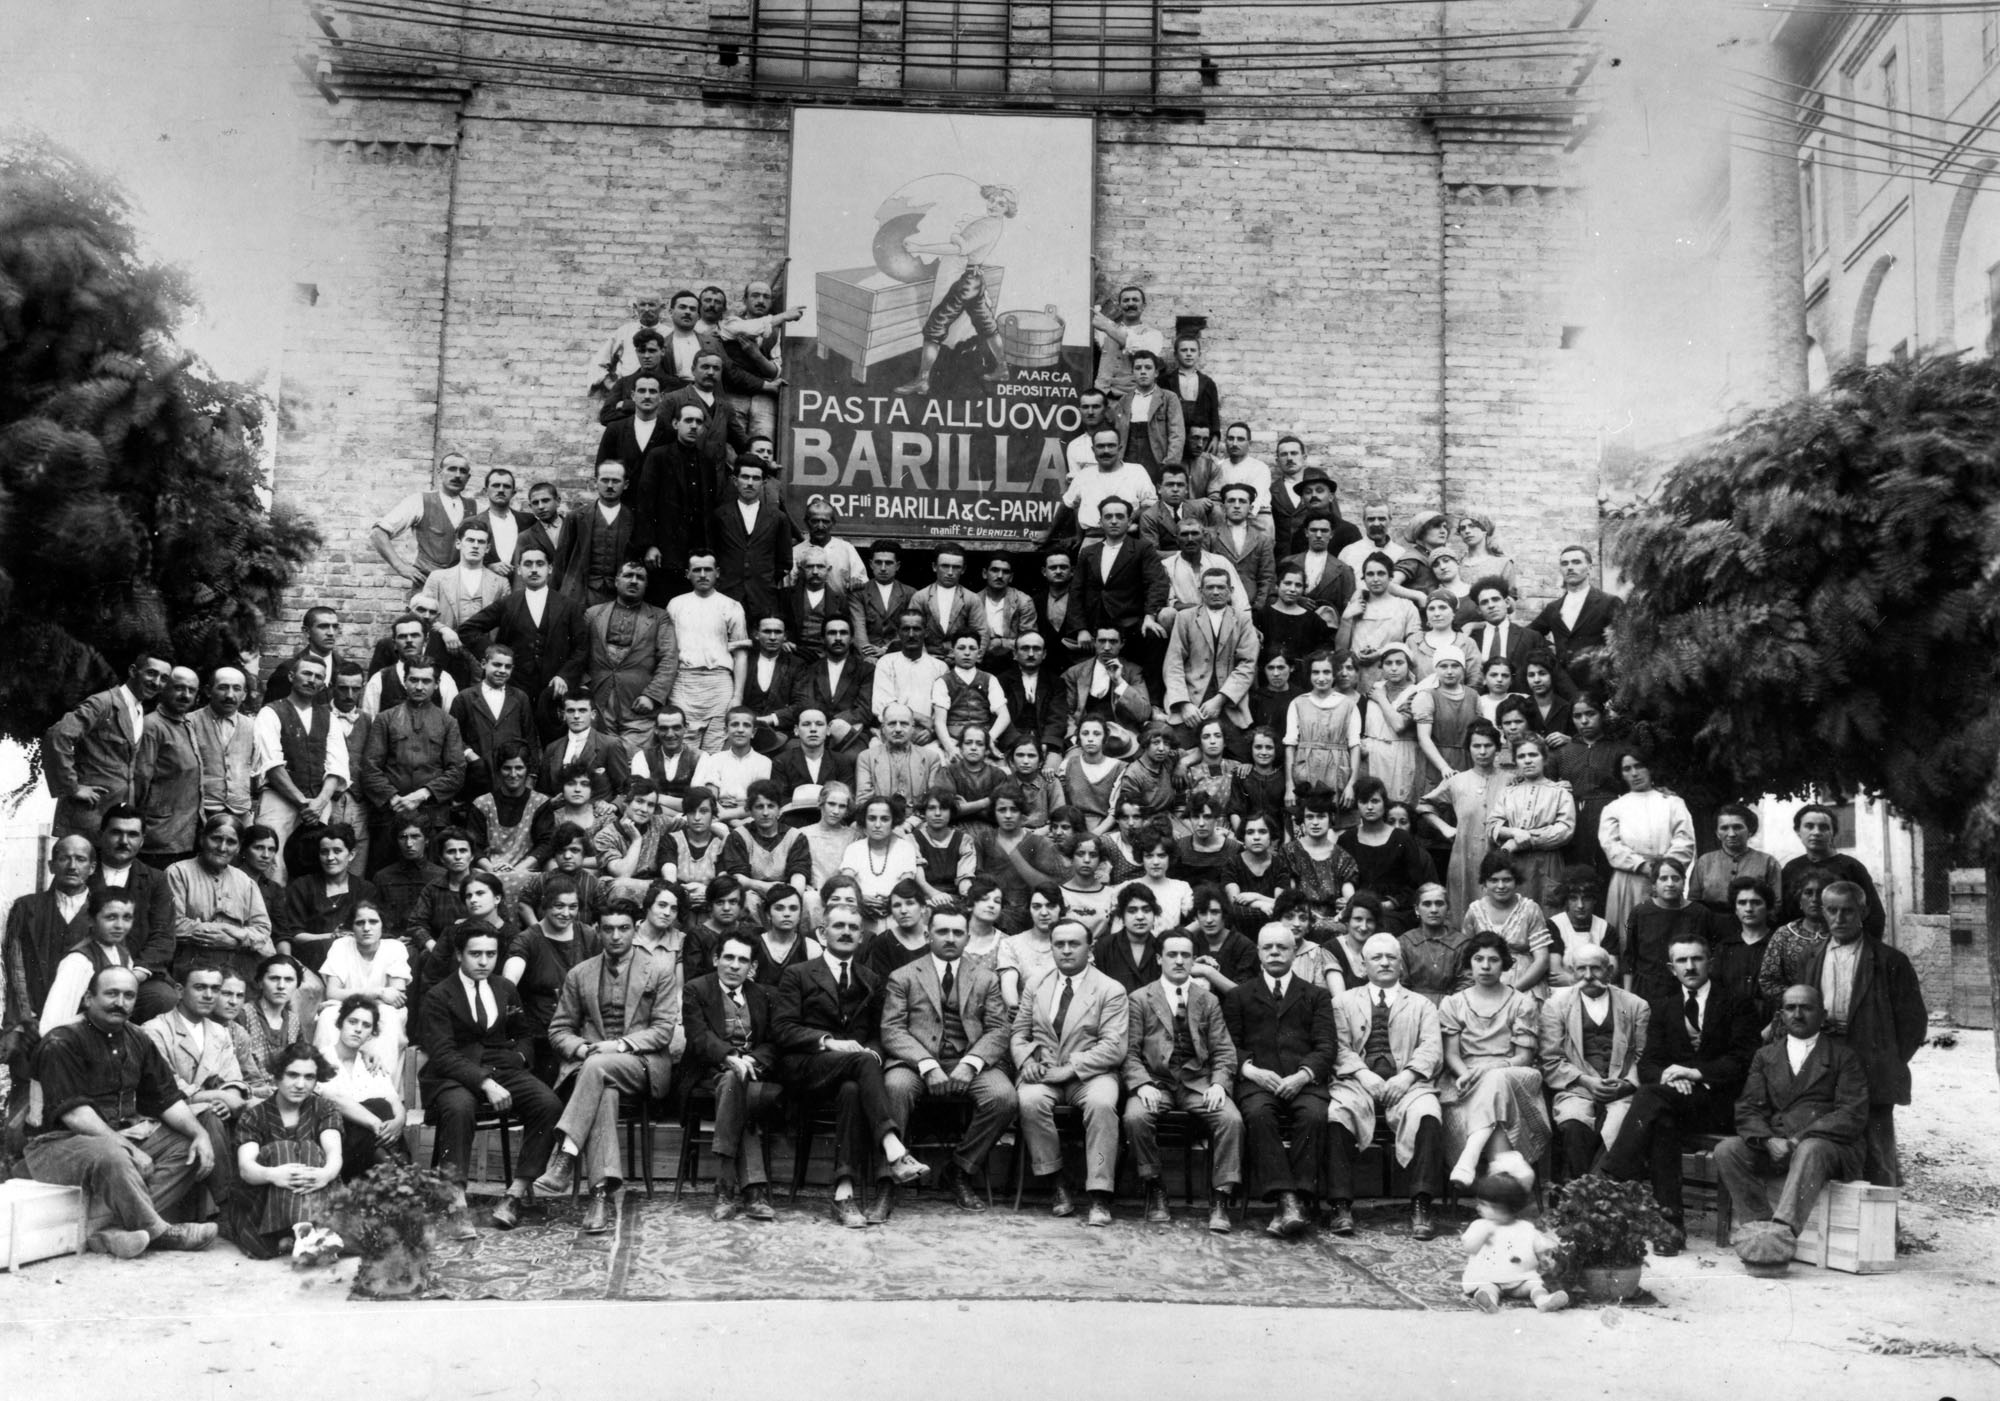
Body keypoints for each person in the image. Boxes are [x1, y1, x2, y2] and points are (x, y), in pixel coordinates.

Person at [26, 966, 219, 1259]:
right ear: (89, 998)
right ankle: (159, 1231)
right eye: (111, 993)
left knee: (187, 1148)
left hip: (117, 1136)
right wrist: (129, 1147)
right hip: (57, 1145)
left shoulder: (137, 1039)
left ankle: (116, 1231)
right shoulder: (61, 1041)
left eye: (129, 995)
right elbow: (76, 1115)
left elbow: (166, 1098)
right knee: (114, 1153)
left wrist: (200, 1134)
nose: (121, 1002)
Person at [770, 904, 930, 1227]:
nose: (846, 932)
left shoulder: (870, 980)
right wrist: (829, 1042)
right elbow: (783, 1028)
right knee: (860, 1063)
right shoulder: (798, 974)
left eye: (853, 928)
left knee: (853, 1087)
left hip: (853, 1075)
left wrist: (869, 1052)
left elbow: (876, 1035)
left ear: (860, 937)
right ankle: (894, 1148)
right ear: (821, 932)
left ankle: (844, 1193)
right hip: (806, 1068)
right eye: (838, 925)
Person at [1598, 934, 1760, 1251]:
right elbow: (1648, 1065)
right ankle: (1670, 1233)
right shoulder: (1665, 1008)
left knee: (1651, 1100)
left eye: (1696, 959)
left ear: (1709, 963)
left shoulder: (1737, 1002)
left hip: (1720, 1103)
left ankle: (1615, 1172)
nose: (1690, 966)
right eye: (1682, 961)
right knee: (1661, 1122)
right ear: (1672, 969)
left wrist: (1696, 1073)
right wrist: (1670, 1078)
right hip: (1675, 1100)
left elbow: (1745, 1060)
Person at [531, 900, 679, 1233]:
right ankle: (599, 1198)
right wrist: (580, 1047)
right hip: (594, 1070)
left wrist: (619, 1045)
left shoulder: (658, 970)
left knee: (598, 1067)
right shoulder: (580, 973)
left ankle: (565, 1155)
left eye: (623, 928)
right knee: (604, 1094)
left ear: (636, 928)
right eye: (608, 929)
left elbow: (663, 1030)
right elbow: (559, 1029)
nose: (615, 936)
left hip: (642, 1065)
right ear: (597, 930)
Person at [417, 923, 563, 1229]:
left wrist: (520, 1057)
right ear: (459, 955)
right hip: (453, 1072)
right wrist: (484, 1082)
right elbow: (442, 1053)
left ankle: (514, 1195)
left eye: (491, 954)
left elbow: (523, 1033)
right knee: (458, 1107)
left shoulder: (505, 989)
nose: (484, 961)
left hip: (503, 1067)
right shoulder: (438, 995)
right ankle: (456, 1202)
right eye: (475, 954)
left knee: (548, 1104)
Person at [877, 908, 1019, 1214]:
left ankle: (960, 1170)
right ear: (928, 935)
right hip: (915, 1063)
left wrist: (971, 1063)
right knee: (895, 1088)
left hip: (968, 1060)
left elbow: (999, 1029)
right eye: (942, 932)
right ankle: (888, 1180)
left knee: (1004, 1098)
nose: (950, 938)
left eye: (957, 932)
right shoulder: (903, 976)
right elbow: (892, 1031)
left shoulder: (985, 978)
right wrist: (927, 1065)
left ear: (968, 937)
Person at [1713, 984, 1872, 1245]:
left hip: (1829, 1150)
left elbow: (1851, 1113)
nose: (1798, 1015)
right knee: (1727, 1150)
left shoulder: (1844, 1056)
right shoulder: (1765, 1056)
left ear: (1822, 1014)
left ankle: (1783, 1233)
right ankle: (1759, 1230)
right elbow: (1749, 1107)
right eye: (1791, 1008)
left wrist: (1798, 1140)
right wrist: (1766, 1140)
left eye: (1806, 1008)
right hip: (1777, 1146)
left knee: (1810, 1149)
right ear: (1781, 1015)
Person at [1799, 880, 1927, 1186]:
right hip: (1826, 1060)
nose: (1839, 919)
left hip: (1872, 1062)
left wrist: (1886, 1058)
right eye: (1832, 911)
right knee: (1825, 1137)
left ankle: (1883, 1228)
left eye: (1847, 911)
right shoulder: (1812, 955)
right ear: (1822, 912)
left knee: (1877, 1145)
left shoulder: (1889, 960)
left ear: (1864, 911)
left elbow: (1913, 1024)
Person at [1219, 922, 1337, 1239]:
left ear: (1294, 951)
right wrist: (1251, 1071)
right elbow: (1229, 1045)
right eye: (1267, 947)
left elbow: (1326, 1047)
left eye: (1281, 947)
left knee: (1313, 1116)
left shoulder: (1316, 996)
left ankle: (1290, 1202)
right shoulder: (1239, 996)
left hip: (1304, 1081)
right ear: (1258, 952)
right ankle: (1288, 1199)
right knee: (1258, 1115)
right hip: (1257, 1081)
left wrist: (1303, 1076)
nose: (1274, 952)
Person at [1121, 928, 1243, 1232]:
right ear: (1160, 958)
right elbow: (1129, 1052)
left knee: (1231, 1120)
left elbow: (1224, 1049)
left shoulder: (1207, 1000)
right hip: (1156, 1083)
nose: (1179, 961)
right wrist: (1142, 1084)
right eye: (1172, 954)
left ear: (1194, 960)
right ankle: (1155, 1185)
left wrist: (1218, 1083)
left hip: (1197, 1083)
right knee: (1135, 1117)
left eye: (1185, 955)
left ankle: (1220, 1197)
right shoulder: (1140, 999)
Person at [1325, 932, 1446, 1238]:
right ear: (1363, 965)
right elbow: (1338, 1047)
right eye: (1376, 957)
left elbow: (1431, 1048)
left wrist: (1406, 1077)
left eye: (1391, 957)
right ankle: (1341, 1206)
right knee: (1337, 1114)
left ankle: (1421, 1204)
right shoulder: (1342, 1002)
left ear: (1401, 965)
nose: (1384, 962)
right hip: (1357, 1082)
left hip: (1408, 1084)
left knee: (1428, 1114)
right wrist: (1364, 1074)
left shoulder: (1422, 1005)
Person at [1011, 919, 1128, 1227]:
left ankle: (1100, 1192)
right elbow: (1019, 1033)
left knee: (1102, 1105)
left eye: (1073, 944)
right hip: (1045, 1071)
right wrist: (1027, 1061)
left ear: (1090, 949)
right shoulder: (1037, 983)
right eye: (1058, 944)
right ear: (1051, 948)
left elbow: (1113, 1047)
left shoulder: (1110, 989)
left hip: (1091, 1075)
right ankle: (1056, 1181)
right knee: (1029, 1100)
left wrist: (1070, 1069)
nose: (1065, 950)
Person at [683, 932, 784, 1221]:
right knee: (731, 1081)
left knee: (737, 1085)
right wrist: (729, 1057)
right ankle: (753, 1191)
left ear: (752, 967)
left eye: (743, 960)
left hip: (754, 1076)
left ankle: (725, 1187)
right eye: (728, 957)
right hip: (709, 1073)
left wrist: (751, 1059)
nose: (734, 965)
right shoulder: (696, 989)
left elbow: (775, 1042)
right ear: (716, 959)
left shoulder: (765, 995)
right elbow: (698, 1037)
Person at [1438, 932, 1550, 1187]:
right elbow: (1452, 1054)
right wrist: (1465, 1073)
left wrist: (1492, 1067)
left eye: (1493, 960)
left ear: (1505, 964)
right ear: (1470, 963)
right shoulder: (1453, 1003)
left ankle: (1469, 1156)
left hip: (1513, 1073)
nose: (1485, 966)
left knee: (1496, 1078)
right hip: (1465, 1076)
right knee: (1494, 1104)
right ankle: (1503, 1177)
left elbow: (1524, 1056)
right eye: (1478, 959)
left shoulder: (1523, 1003)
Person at [1538, 940, 1648, 1180]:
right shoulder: (1555, 1005)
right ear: (1571, 971)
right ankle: (1585, 1193)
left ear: (1609, 971)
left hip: (1623, 1089)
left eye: (1596, 968)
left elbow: (1644, 1056)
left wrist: (1628, 1084)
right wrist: (1587, 1081)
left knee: (1622, 1129)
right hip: (1577, 1087)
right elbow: (1550, 1059)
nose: (1588, 976)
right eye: (1581, 969)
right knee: (1573, 1126)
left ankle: (1594, 1194)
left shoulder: (1636, 1005)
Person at [459, 543, 592, 736]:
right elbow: (467, 629)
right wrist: (496, 659)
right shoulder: (508, 603)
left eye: (540, 564)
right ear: (519, 570)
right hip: (515, 686)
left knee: (553, 742)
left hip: (553, 689)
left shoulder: (569, 606)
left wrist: (565, 675)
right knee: (514, 739)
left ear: (550, 569)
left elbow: (582, 647)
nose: (535, 569)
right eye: (528, 564)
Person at [226, 1042, 344, 1259]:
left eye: (309, 1077)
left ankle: (300, 1236)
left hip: (319, 1191)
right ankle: (310, 1234)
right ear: (277, 1076)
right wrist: (274, 1174)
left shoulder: (325, 1108)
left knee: (310, 1147)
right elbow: (246, 1169)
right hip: (262, 1205)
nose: (300, 1084)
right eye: (292, 1075)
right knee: (282, 1149)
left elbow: (334, 1154)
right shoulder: (254, 1116)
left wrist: (325, 1174)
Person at [44, 649, 170, 841]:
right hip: (86, 817)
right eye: (151, 673)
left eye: (164, 678)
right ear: (133, 671)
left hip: (115, 821)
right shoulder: (103, 703)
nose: (156, 682)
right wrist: (73, 788)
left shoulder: (137, 710)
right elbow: (58, 735)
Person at [1, 836, 96, 1066]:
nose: (72, 866)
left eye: (80, 859)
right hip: (30, 1018)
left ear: (92, 867)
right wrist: (27, 1017)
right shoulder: (26, 907)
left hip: (83, 1021)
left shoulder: (102, 910)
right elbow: (15, 966)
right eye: (64, 858)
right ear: (52, 865)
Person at [583, 558, 679, 755]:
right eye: (628, 575)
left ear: (646, 584)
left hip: (639, 705)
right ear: (617, 580)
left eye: (640, 578)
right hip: (599, 700)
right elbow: (578, 653)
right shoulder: (593, 614)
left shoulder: (660, 617)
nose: (634, 581)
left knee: (635, 761)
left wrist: (652, 695)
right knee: (600, 759)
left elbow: (669, 659)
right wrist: (584, 685)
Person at [168, 816, 277, 987]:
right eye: (216, 839)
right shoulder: (178, 873)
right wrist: (221, 932)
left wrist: (234, 940)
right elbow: (174, 924)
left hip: (239, 966)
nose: (222, 848)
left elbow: (262, 930)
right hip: (192, 964)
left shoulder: (245, 882)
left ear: (239, 847)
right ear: (202, 839)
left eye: (231, 842)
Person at [1598, 748, 1696, 932]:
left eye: (1639, 766)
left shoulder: (1673, 803)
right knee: (1629, 933)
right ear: (1621, 775)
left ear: (1650, 768)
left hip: (1666, 877)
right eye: (1627, 769)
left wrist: (1664, 869)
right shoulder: (1614, 808)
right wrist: (1642, 865)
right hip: (1629, 878)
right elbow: (1610, 845)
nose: (1634, 773)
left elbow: (1685, 840)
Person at [662, 552, 750, 754]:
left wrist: (737, 696)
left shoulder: (731, 606)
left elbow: (741, 655)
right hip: (684, 681)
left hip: (719, 683)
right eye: (697, 570)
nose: (702, 575)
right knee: (683, 746)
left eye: (708, 569)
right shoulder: (675, 604)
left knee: (716, 747)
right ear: (687, 574)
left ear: (717, 573)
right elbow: (667, 651)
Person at [316, 995, 412, 1180]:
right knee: (376, 1107)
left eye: (366, 1025)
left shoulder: (372, 1063)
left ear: (372, 1032)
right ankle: (403, 1178)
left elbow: (393, 1099)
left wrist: (399, 1121)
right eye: (352, 1022)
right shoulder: (321, 1060)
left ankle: (396, 1176)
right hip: (339, 1141)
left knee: (382, 1106)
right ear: (340, 1023)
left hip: (371, 1144)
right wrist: (378, 1125)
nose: (358, 1029)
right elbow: (335, 1099)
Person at [314, 900, 412, 1063]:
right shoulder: (341, 946)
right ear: (352, 927)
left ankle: (380, 1082)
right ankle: (328, 1081)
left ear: (382, 925)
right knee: (328, 1016)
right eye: (360, 923)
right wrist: (378, 992)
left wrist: (350, 996)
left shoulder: (395, 948)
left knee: (388, 1017)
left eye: (373, 922)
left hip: (383, 1011)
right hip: (346, 1009)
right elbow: (332, 992)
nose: (366, 928)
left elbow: (396, 999)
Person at [1459, 1170, 1569, 1313]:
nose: (1478, 1207)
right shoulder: (1481, 1226)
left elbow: (1541, 1248)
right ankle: (1488, 1301)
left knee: (1535, 1284)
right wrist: (1481, 1236)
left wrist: (1545, 1260)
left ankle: (1544, 1301)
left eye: (1484, 1204)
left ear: (1502, 1208)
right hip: (1489, 1277)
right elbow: (1469, 1248)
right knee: (1486, 1287)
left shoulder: (1526, 1228)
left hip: (1521, 1279)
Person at [1779, 804, 1888, 940]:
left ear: (1833, 833)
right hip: (1798, 945)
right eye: (1809, 826)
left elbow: (1874, 914)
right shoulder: (1792, 868)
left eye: (1824, 827)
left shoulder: (1851, 867)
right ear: (1797, 831)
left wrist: (1867, 951)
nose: (1816, 832)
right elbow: (1782, 912)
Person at [712, 457, 796, 632]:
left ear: (764, 482)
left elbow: (784, 561)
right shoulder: (719, 516)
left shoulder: (778, 518)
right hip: (727, 595)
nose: (750, 483)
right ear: (735, 481)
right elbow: (713, 555)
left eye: (756, 478)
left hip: (763, 598)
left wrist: (763, 580)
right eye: (745, 477)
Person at [1623, 856, 1720, 1006]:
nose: (1670, 884)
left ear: (1683, 882)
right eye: (1663, 878)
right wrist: (1628, 998)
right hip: (1648, 991)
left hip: (1686, 990)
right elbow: (1630, 958)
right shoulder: (1640, 912)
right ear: (1654, 884)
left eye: (1676, 878)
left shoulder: (1700, 913)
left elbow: (1711, 957)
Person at [370, 450, 472, 589]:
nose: (457, 475)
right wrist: (400, 566)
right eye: (452, 469)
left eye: (463, 471)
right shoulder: (419, 501)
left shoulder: (475, 507)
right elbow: (378, 533)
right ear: (439, 472)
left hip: (462, 588)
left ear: (468, 477)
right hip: (426, 586)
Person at [1527, 543, 1622, 688]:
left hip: (1598, 683)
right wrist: (1550, 652)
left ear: (1590, 567)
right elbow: (1528, 634)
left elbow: (1624, 644)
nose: (1570, 567)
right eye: (1565, 563)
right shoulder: (1553, 608)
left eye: (1576, 562)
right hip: (1563, 686)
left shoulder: (1609, 602)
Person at [787, 618, 874, 754]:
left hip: (851, 732)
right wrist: (821, 726)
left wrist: (831, 723)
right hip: (814, 730)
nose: (838, 638)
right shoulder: (810, 669)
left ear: (851, 639)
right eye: (832, 633)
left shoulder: (865, 670)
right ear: (823, 638)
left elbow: (864, 709)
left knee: (853, 756)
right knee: (792, 749)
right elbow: (804, 703)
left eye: (843, 633)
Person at [1688, 803, 1783, 915]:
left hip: (1753, 925)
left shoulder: (1768, 862)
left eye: (1738, 827)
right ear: (1717, 833)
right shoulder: (1704, 862)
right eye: (1724, 828)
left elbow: (1776, 903)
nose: (1731, 834)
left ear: (1750, 831)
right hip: (1711, 925)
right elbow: (1693, 901)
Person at [1712, 877, 1780, 1028]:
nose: (1749, 908)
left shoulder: (1779, 943)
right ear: (1735, 909)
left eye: (1756, 902)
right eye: (1742, 903)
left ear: (1768, 907)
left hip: (1769, 1025)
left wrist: (1773, 1027)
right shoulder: (1725, 947)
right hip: (1730, 1026)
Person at [1092, 283, 1165, 403]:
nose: (1130, 304)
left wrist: (1106, 326)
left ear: (1144, 306)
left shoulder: (1154, 335)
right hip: (1103, 399)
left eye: (1135, 300)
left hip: (1134, 400)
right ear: (1120, 306)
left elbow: (1139, 349)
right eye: (1126, 300)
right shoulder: (1105, 330)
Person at [1398, 883, 1467, 1003]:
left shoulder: (1462, 944)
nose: (1434, 910)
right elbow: (1400, 984)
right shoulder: (1404, 943)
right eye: (1427, 904)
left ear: (1448, 909)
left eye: (1439, 904)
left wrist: (1449, 1007)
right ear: (1416, 909)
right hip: (1412, 1009)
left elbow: (1466, 983)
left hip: (1451, 1010)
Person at [264, 608, 347, 707]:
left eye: (335, 627)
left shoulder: (345, 668)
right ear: (306, 631)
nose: (331, 633)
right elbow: (272, 712)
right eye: (323, 627)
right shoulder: (288, 669)